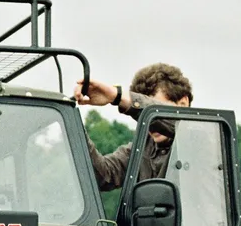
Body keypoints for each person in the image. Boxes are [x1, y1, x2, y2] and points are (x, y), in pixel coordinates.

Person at [74, 63, 193, 191]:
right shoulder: (141, 148)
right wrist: (73, 125)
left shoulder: (202, 137)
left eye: (156, 107)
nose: (150, 124)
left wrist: (117, 96)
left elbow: (177, 124)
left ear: (182, 104)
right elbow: (103, 174)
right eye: (145, 110)